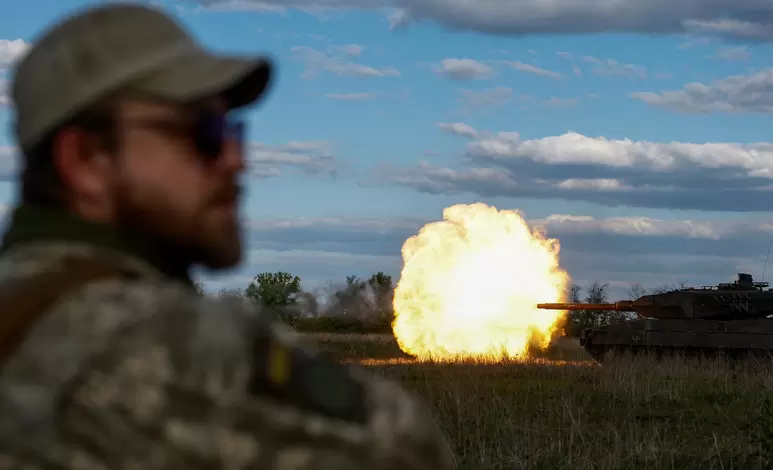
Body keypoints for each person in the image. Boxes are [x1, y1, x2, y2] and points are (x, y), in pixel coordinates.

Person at [0, 3, 456, 469]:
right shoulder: (149, 341)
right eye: (205, 132)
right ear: (87, 159)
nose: (236, 158)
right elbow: (407, 450)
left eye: (233, 128)